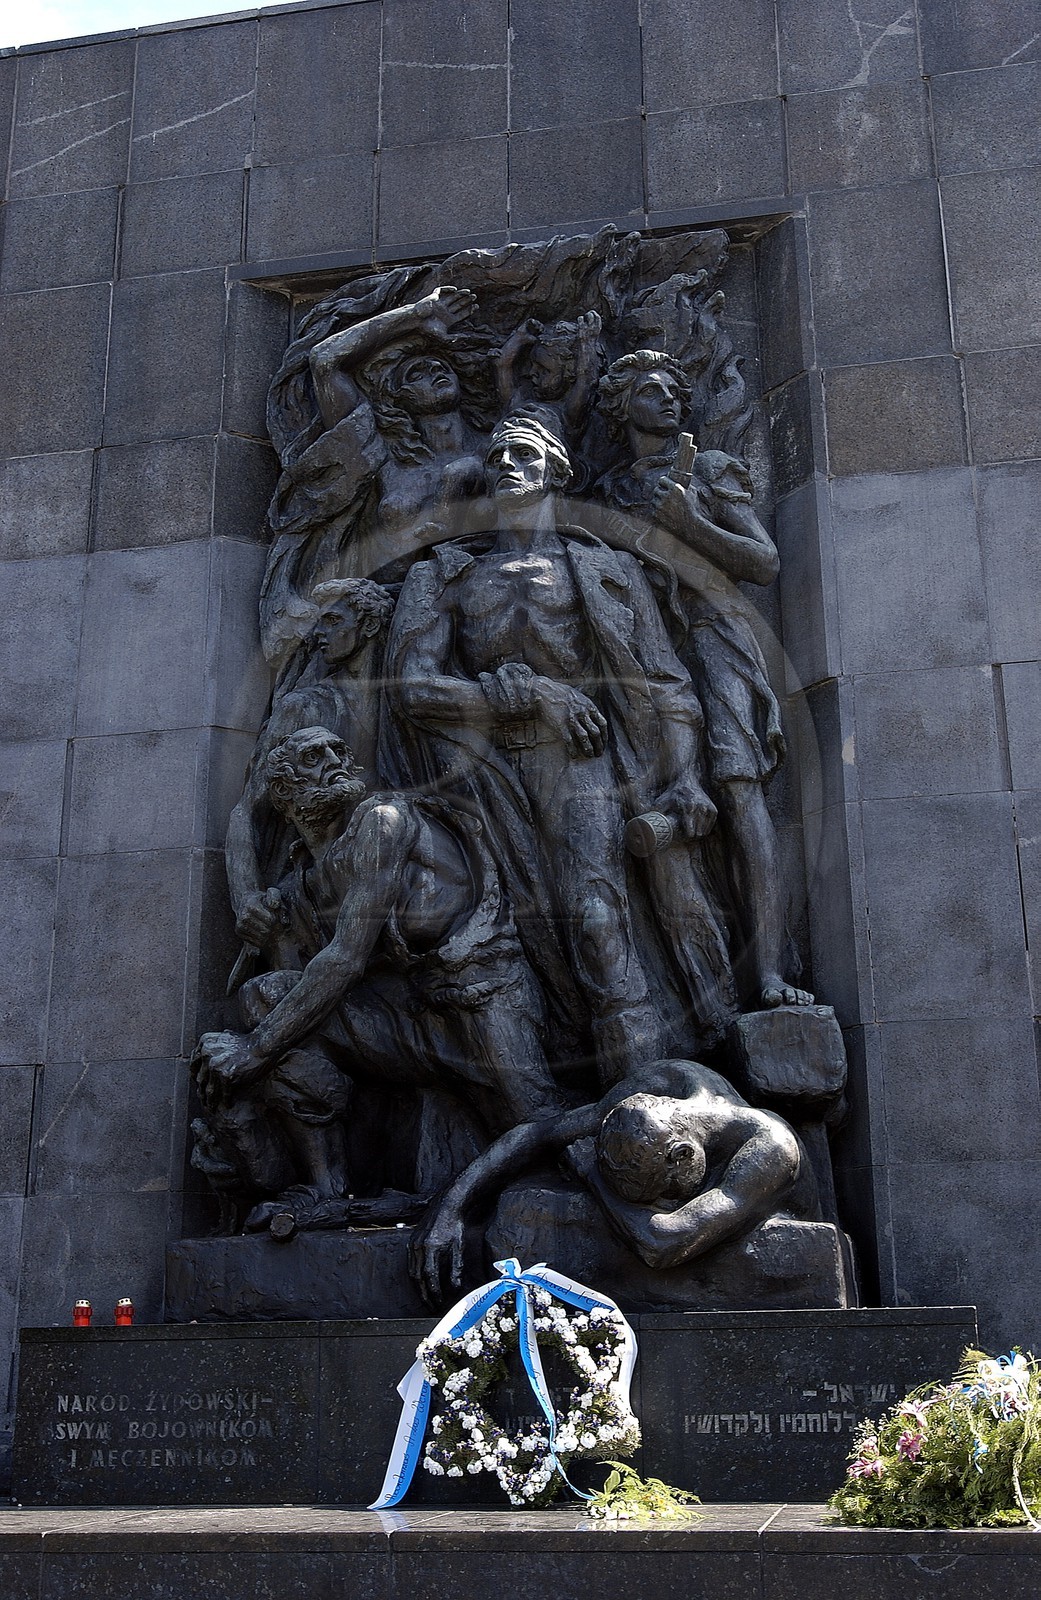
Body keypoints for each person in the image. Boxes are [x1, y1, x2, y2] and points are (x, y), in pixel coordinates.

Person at [385, 411, 737, 1086]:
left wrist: (687, 778)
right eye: (497, 457)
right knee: (507, 943)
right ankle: (543, 1103)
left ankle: (641, 1100)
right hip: (475, 777)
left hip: (579, 762)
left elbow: (665, 683)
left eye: (522, 454)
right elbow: (411, 690)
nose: (507, 467)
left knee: (597, 922)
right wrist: (521, 693)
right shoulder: (448, 574)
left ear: (556, 471)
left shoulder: (604, 569)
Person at [193, 725, 567, 1206]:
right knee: (264, 995)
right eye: (313, 756)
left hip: (482, 997)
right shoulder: (304, 879)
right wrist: (266, 926)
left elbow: (345, 959)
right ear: (282, 790)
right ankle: (326, 1189)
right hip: (408, 1017)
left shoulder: (382, 822)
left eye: (337, 749)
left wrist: (254, 1050)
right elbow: (304, 982)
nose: (333, 758)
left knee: (539, 1124)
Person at [596, 350, 812, 1009]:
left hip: (709, 637)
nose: (667, 399)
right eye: (650, 390)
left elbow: (762, 561)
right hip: (635, 654)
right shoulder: (608, 491)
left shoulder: (709, 469)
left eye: (673, 389)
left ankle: (769, 970)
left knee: (740, 790)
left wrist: (690, 523)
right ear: (619, 405)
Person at [411, 1056, 821, 1306]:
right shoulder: (665, 1084)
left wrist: (591, 1174)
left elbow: (665, 1241)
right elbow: (538, 1133)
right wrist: (450, 1209)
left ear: (683, 1156)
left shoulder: (770, 1148)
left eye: (656, 1195)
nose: (660, 1204)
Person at [225, 577, 394, 966]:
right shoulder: (305, 706)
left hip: (401, 873)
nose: (318, 633)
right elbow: (249, 810)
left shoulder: (403, 702)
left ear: (367, 626)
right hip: (325, 889)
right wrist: (247, 897)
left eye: (332, 620)